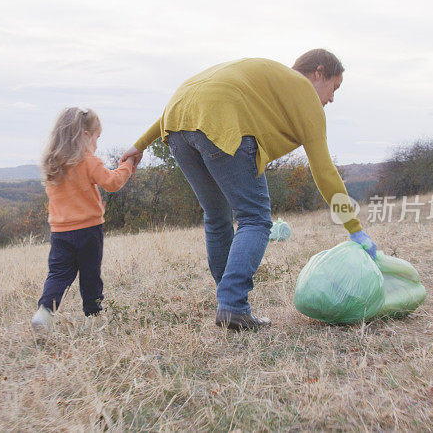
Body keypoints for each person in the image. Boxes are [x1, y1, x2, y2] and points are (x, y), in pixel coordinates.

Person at [120, 49, 378, 331]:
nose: (331, 98)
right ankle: (232, 304)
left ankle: (227, 301)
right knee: (254, 218)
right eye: (334, 88)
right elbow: (325, 172)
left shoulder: (268, 82)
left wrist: (141, 144)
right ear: (318, 73)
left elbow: (195, 103)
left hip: (177, 121)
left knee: (217, 215)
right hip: (219, 121)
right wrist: (355, 229)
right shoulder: (303, 91)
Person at [31, 107, 136, 331]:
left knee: (58, 274)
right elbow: (113, 182)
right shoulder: (89, 161)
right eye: (97, 138)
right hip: (88, 231)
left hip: (60, 233)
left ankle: (44, 312)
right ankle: (93, 317)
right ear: (85, 136)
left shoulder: (52, 165)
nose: (97, 144)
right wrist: (128, 166)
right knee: (90, 274)